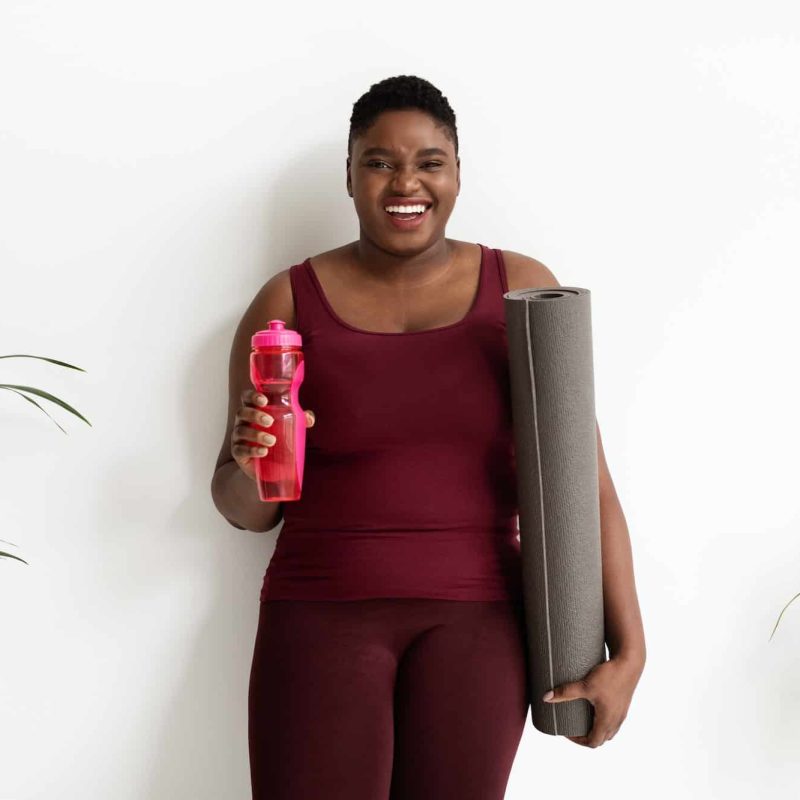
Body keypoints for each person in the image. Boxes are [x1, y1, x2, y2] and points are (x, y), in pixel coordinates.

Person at [211, 75, 646, 800]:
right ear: (348, 175)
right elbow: (241, 509)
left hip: (479, 625)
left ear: (457, 173)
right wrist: (253, 464)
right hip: (318, 619)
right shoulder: (288, 301)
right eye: (379, 161)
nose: (404, 182)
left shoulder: (524, 291)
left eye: (428, 162)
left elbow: (584, 487)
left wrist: (629, 651)